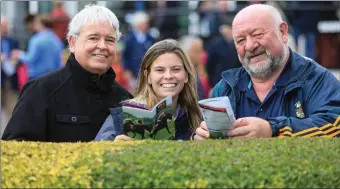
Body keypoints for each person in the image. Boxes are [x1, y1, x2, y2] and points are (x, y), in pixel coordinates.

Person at [194, 4, 340, 140]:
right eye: (240, 40)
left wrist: (273, 130)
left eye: (257, 34)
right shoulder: (225, 87)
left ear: (282, 32)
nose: (250, 46)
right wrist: (200, 138)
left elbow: (334, 126)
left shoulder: (315, 78)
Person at [2, 4, 133, 142]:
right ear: (72, 42)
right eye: (93, 38)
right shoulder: (40, 90)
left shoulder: (125, 99)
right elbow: (14, 151)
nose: (102, 46)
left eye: (110, 40)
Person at [95, 39, 202, 141]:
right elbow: (94, 156)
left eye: (176, 69)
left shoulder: (198, 118)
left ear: (186, 75)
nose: (168, 76)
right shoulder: (121, 118)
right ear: (148, 76)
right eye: (160, 70)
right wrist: (114, 149)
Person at [11, 14, 64, 80]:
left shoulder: (36, 39)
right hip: (53, 77)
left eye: (36, 22)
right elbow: (60, 61)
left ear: (41, 24)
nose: (34, 25)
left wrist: (19, 55)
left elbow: (31, 58)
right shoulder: (56, 39)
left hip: (37, 77)